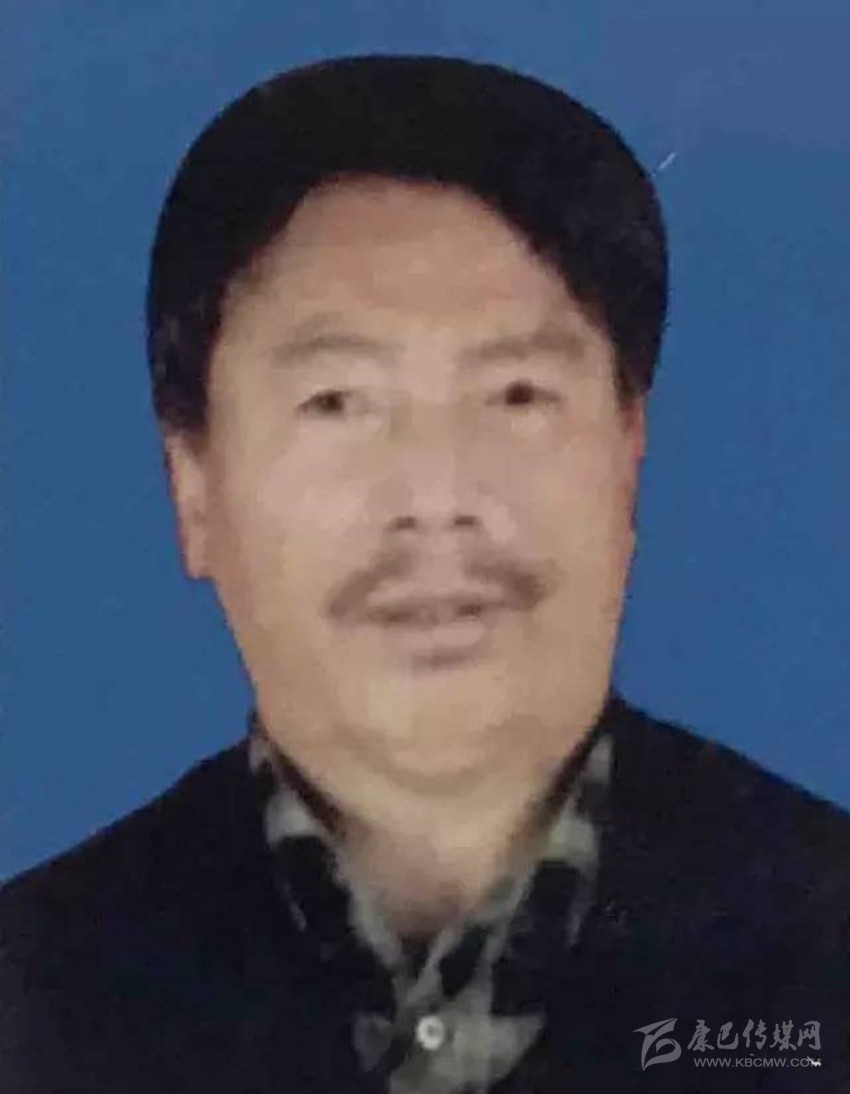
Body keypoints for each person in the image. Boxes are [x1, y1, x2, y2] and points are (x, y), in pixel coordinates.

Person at [1, 54, 847, 1094]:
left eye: (517, 394)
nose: (438, 495)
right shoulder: (30, 987)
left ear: (631, 453)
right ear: (194, 487)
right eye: (338, 402)